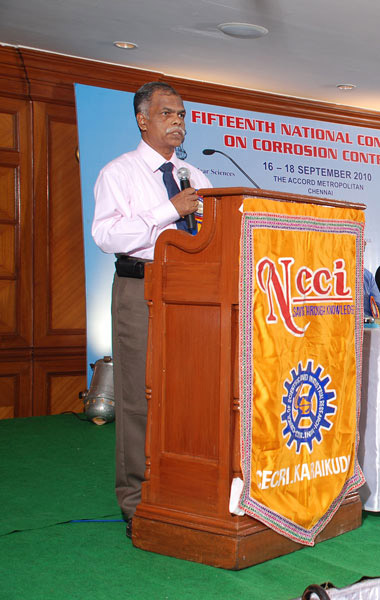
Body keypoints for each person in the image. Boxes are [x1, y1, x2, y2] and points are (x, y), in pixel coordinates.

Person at [91, 81, 211, 538]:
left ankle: (184, 486)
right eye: (167, 114)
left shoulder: (195, 175)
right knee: (139, 395)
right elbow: (106, 236)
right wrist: (168, 210)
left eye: (181, 115)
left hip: (194, 292)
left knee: (190, 390)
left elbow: (213, 230)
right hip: (140, 287)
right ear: (142, 120)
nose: (177, 122)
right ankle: (137, 501)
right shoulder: (118, 173)